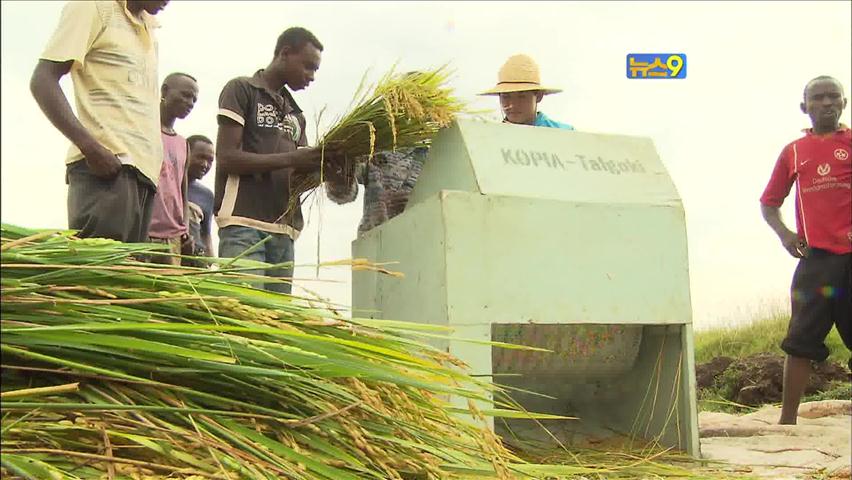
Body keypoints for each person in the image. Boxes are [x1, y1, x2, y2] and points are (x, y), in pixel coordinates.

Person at [215, 26, 348, 294]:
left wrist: (325, 173)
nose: (311, 77)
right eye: (308, 67)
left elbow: (299, 175)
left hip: (284, 232)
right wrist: (292, 157)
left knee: (274, 326)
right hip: (244, 224)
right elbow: (227, 158)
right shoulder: (242, 89)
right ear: (285, 53)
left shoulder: (296, 113)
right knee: (243, 316)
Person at [30, 0, 170, 242]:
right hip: (108, 169)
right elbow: (43, 80)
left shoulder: (149, 27)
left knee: (127, 275)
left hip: (143, 175)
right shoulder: (93, 7)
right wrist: (90, 147)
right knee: (100, 272)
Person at [759, 75, 851, 425]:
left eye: (834, 97)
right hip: (816, 263)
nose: (826, 103)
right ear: (805, 107)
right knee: (799, 340)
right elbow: (769, 203)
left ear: (844, 103)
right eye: (818, 98)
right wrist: (785, 234)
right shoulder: (794, 151)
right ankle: (787, 422)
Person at [148, 72, 198, 265]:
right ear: (165, 91)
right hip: (146, 234)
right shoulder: (144, 131)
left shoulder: (182, 143)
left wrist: (185, 229)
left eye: (194, 99)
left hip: (174, 237)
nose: (190, 103)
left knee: (170, 293)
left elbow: (182, 193)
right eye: (185, 95)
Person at [478, 54, 574, 130]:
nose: (512, 104)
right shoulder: (491, 137)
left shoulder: (565, 134)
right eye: (506, 96)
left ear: (539, 96)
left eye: (522, 96)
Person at [184, 134, 215, 264]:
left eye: (210, 160)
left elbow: (205, 235)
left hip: (195, 263)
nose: (205, 164)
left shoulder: (206, 195)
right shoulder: (164, 184)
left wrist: (212, 265)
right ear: (185, 153)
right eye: (200, 157)